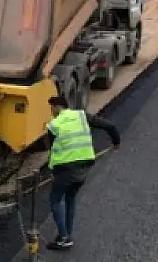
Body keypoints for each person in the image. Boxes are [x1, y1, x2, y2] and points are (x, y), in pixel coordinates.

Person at [45, 95, 120, 250]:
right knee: (70, 198)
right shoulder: (82, 115)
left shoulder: (54, 125)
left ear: (57, 107)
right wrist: (116, 142)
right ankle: (67, 235)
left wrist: (52, 170)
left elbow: (52, 150)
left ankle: (64, 238)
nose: (51, 111)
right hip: (84, 166)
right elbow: (110, 126)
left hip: (65, 168)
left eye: (51, 108)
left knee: (56, 200)